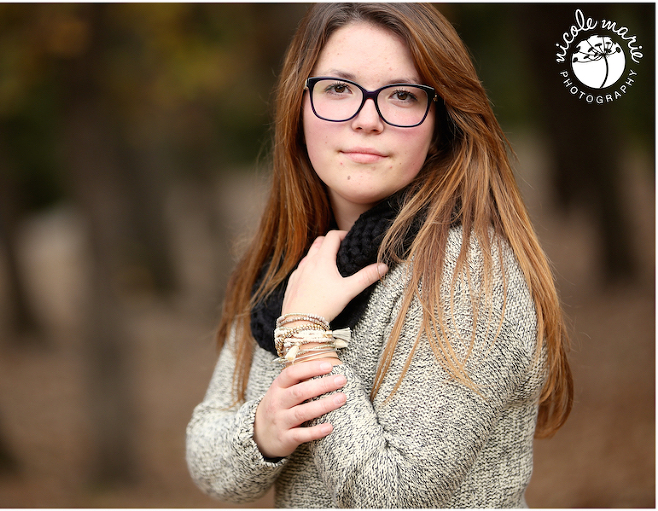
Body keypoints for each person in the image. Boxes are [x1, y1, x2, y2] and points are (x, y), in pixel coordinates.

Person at [185, 3, 573, 508]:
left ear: (441, 125)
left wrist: (306, 335)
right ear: (299, 106)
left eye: (402, 96)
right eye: (339, 88)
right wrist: (262, 430)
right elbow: (206, 458)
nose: (367, 119)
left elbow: (394, 495)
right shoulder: (282, 265)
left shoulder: (472, 276)